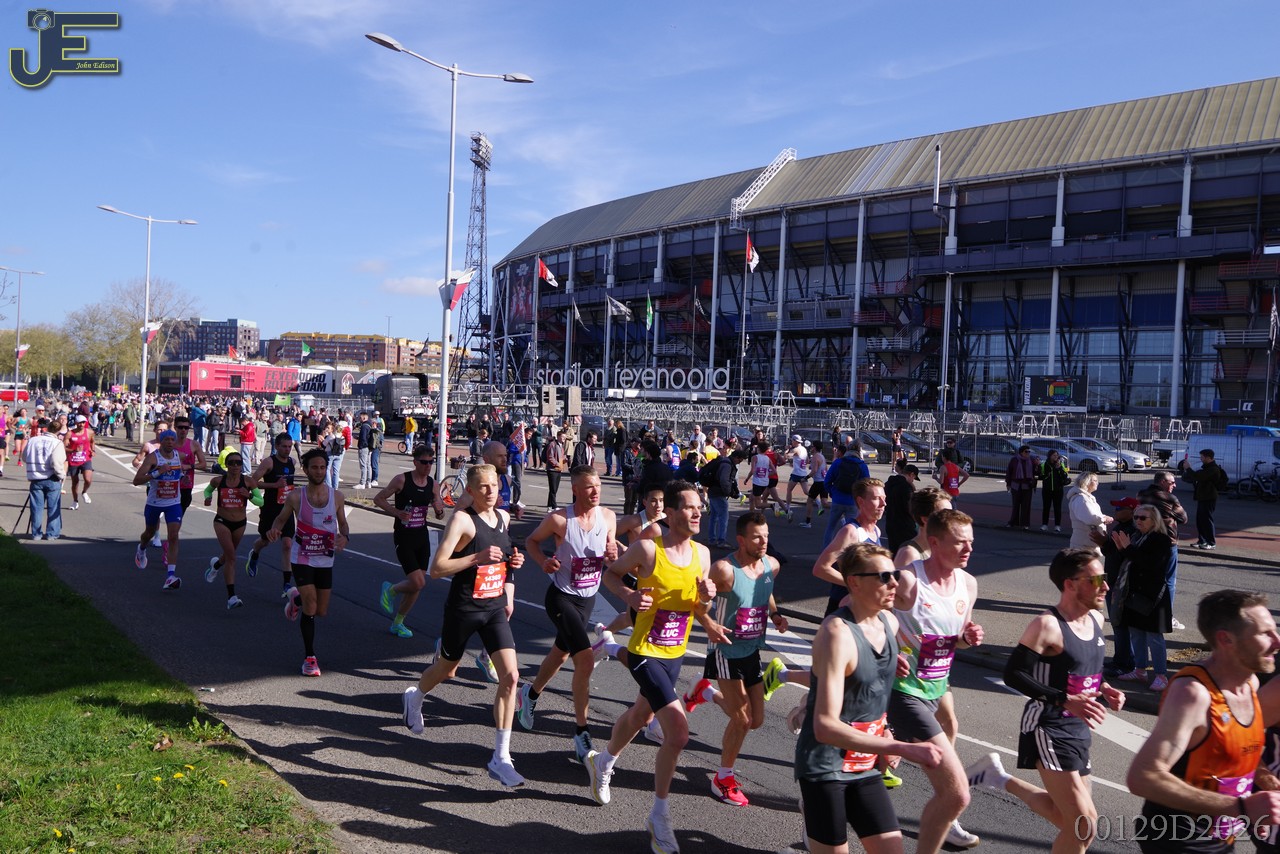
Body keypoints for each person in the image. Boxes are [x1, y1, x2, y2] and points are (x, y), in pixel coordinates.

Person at [965, 548, 1126, 854]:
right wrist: (1064, 700)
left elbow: (1083, 666)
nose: (1106, 586)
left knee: (1066, 818)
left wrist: (1105, 688)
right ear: (1070, 584)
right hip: (1047, 726)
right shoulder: (1047, 625)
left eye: (1105, 578)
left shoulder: (1095, 618)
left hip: (1078, 728)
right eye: (1096, 580)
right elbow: (1014, 674)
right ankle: (996, 777)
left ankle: (996, 777)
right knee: (1083, 825)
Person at [587, 480, 717, 854]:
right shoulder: (648, 549)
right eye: (690, 507)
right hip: (645, 649)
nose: (697, 513)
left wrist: (706, 603)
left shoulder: (703, 555)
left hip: (675, 652)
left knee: (641, 715)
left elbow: (697, 607)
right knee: (678, 733)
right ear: (671, 514)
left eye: (699, 507)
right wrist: (629, 594)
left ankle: (603, 761)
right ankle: (659, 817)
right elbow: (611, 574)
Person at [795, 542, 943, 854]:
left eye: (895, 575)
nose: (894, 583)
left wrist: (884, 728)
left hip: (864, 764)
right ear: (854, 582)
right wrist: (900, 746)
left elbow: (871, 692)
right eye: (883, 577)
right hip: (826, 766)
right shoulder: (836, 634)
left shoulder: (889, 622)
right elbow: (824, 726)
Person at [400, 463, 527, 787]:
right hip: (464, 608)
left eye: (494, 484)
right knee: (446, 667)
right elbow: (437, 568)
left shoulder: (504, 518)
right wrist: (475, 558)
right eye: (483, 486)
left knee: (511, 677)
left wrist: (513, 562)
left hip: (494, 607)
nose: (491, 491)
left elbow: (502, 558)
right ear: (470, 491)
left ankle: (501, 757)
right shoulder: (462, 520)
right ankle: (416, 696)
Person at [1127, 590, 1280, 853]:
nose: (1277, 641)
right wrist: (1240, 807)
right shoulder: (1193, 694)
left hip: (1219, 836)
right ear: (1226, 639)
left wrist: (1265, 787)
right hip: (1178, 838)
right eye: (1264, 633)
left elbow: (1232, 751)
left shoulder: (1251, 684)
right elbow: (1143, 777)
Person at [889, 508, 985, 852]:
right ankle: (949, 818)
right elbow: (861, 612)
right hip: (901, 690)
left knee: (871, 763)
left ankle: (821, 804)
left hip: (935, 686)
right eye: (959, 542)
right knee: (956, 792)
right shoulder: (907, 580)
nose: (968, 549)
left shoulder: (968, 584)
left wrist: (967, 637)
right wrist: (889, 652)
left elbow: (957, 638)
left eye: (970, 542)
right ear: (934, 542)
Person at [683, 510, 787, 807]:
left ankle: (705, 692)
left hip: (751, 649)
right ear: (741, 540)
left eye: (766, 536)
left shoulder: (771, 565)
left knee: (756, 720)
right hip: (725, 649)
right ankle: (723, 778)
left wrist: (775, 614)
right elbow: (698, 604)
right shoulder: (724, 570)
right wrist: (709, 621)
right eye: (757, 537)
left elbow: (765, 589)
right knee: (741, 719)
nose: (763, 542)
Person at [518, 465, 619, 762]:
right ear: (575, 490)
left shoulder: (608, 517)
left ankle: (530, 694)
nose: (595, 491)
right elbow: (531, 541)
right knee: (584, 659)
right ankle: (581, 732)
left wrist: (613, 552)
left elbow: (611, 551)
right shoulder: (560, 520)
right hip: (561, 598)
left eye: (597, 485)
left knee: (560, 654)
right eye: (589, 486)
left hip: (588, 600)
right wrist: (543, 561)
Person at [267, 448, 350, 677]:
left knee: (321, 610)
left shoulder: (337, 497)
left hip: (325, 558)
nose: (319, 471)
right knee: (311, 607)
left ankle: (296, 600)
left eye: (322, 467)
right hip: (302, 557)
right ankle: (309, 658)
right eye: (314, 467)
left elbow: (343, 523)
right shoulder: (296, 497)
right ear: (305, 469)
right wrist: (274, 529)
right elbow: (280, 519)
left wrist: (345, 536)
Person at [374, 443, 445, 638]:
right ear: (415, 462)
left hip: (422, 537)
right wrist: (397, 512)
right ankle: (391, 590)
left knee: (416, 586)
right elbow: (378, 499)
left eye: (431, 462)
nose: (428, 466)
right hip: (404, 537)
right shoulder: (402, 480)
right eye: (424, 462)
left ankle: (398, 623)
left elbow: (439, 514)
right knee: (418, 583)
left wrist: (439, 510)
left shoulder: (433, 484)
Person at [1111, 503, 1176, 691]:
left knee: (1154, 636)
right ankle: (1140, 670)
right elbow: (1129, 560)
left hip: (1152, 596)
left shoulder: (1161, 540)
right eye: (1136, 517)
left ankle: (1161, 675)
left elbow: (1151, 564)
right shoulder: (1137, 536)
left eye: (1142, 518)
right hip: (1133, 593)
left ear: (1154, 520)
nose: (1138, 521)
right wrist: (1121, 548)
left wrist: (1128, 549)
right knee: (1136, 633)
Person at [813, 479, 886, 616]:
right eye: (877, 498)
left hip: (864, 606)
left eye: (884, 498)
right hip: (843, 607)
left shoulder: (876, 531)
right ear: (860, 502)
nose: (883, 504)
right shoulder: (850, 532)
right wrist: (857, 586)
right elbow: (820, 568)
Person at [202, 451, 259, 610]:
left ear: (242, 465)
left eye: (238, 463)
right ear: (226, 465)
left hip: (240, 523)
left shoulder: (248, 482)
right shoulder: (218, 480)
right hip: (222, 521)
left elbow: (260, 501)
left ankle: (216, 565)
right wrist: (208, 497)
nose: (235, 466)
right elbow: (207, 490)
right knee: (232, 557)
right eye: (232, 462)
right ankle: (231, 597)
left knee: (229, 554)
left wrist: (249, 496)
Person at [245, 433, 300, 598]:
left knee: (287, 544)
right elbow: (252, 482)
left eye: (290, 447)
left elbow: (289, 485)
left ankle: (286, 584)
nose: (287, 450)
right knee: (265, 541)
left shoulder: (292, 462)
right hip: (270, 509)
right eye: (284, 446)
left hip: (286, 509)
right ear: (276, 446)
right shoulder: (269, 462)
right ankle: (255, 553)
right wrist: (274, 485)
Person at [132, 429, 187, 589]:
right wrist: (157, 472)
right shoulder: (153, 458)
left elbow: (178, 473)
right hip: (154, 502)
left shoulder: (179, 456)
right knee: (149, 533)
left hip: (173, 502)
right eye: (166, 439)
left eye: (172, 439)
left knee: (173, 536)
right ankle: (141, 549)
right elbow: (137, 480)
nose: (170, 442)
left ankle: (170, 576)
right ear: (161, 441)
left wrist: (183, 477)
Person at [22, 418, 66, 540]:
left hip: (35, 478)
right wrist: (61, 475)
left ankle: (36, 534)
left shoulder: (33, 440)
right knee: (53, 507)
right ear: (58, 431)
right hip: (52, 478)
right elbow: (56, 462)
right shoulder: (57, 443)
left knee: (36, 508)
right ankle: (52, 534)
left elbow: (25, 457)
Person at [1179, 448, 1229, 550]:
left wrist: (1188, 468)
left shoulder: (1213, 469)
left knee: (1206, 520)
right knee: (1200, 520)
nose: (1201, 459)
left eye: (1202, 457)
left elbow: (1198, 477)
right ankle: (1202, 540)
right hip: (1203, 497)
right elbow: (1195, 477)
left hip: (1209, 497)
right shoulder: (1207, 468)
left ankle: (1211, 542)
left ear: (1208, 458)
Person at [822, 442, 869, 546]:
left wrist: (832, 493)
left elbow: (827, 481)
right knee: (851, 530)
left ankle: (826, 550)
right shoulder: (862, 465)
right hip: (853, 501)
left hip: (837, 499)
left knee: (830, 527)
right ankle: (848, 552)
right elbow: (866, 485)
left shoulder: (838, 462)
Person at [701, 449, 744, 549]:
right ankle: (721, 540)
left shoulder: (723, 461)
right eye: (740, 460)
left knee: (713, 517)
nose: (739, 462)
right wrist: (730, 492)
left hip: (713, 491)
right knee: (723, 517)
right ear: (736, 457)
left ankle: (712, 539)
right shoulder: (727, 465)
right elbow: (724, 480)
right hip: (719, 493)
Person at [1066, 471, 1111, 553]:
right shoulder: (1081, 499)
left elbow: (1091, 514)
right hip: (1084, 544)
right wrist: (1104, 518)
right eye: (1095, 480)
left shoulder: (1086, 498)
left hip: (1088, 543)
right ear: (1086, 482)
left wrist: (1103, 517)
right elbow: (1091, 518)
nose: (1097, 483)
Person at [882, 460, 918, 553]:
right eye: (914, 478)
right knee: (908, 552)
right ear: (911, 474)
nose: (913, 480)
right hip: (905, 525)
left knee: (894, 552)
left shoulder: (889, 483)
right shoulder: (906, 488)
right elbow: (909, 508)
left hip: (890, 522)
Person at [64, 414, 96, 509]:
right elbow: (64, 448)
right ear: (76, 423)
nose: (81, 424)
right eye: (79, 423)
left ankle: (84, 492)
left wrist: (93, 450)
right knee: (75, 482)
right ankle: (75, 501)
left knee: (88, 479)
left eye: (83, 423)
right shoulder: (70, 434)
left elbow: (92, 442)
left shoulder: (89, 432)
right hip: (73, 460)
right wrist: (73, 450)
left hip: (85, 459)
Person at [1005, 445, 1039, 529]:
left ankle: (1025, 524)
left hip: (1027, 486)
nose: (1028, 453)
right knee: (1015, 505)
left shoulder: (1032, 460)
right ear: (1021, 452)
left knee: (1026, 506)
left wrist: (1037, 465)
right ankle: (1013, 522)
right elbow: (1009, 472)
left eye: (1029, 451)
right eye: (1026, 451)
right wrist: (1008, 484)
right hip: (1016, 485)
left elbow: (1037, 473)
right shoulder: (1014, 460)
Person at [800, 440, 830, 529]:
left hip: (818, 482)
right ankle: (841, 511)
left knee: (809, 501)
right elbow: (825, 469)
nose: (811, 448)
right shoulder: (822, 456)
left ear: (815, 448)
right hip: (824, 481)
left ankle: (808, 522)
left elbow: (814, 470)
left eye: (812, 446)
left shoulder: (815, 457)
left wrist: (805, 478)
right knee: (825, 503)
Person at [1038, 449, 1069, 532]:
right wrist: (1045, 473)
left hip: (1058, 490)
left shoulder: (1061, 464)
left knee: (1057, 508)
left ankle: (1057, 525)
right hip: (1047, 490)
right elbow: (1040, 476)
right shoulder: (1044, 464)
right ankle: (1044, 524)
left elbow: (1065, 476)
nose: (1056, 457)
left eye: (1057, 455)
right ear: (1050, 456)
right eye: (1054, 455)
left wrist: (1059, 468)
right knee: (1046, 507)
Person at [783, 435, 812, 516]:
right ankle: (818, 502)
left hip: (796, 474)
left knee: (789, 490)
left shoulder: (796, 449)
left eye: (792, 441)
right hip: (803, 473)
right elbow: (807, 461)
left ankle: (788, 507)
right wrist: (796, 464)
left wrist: (786, 451)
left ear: (795, 441)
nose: (791, 442)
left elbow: (786, 457)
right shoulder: (804, 449)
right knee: (806, 491)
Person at [544, 429, 566, 510]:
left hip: (558, 469)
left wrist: (565, 460)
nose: (564, 439)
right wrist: (557, 464)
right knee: (553, 488)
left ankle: (549, 506)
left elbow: (561, 457)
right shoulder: (552, 444)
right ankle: (554, 506)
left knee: (555, 489)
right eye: (563, 437)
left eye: (565, 437)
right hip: (552, 469)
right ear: (558, 437)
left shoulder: (561, 445)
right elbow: (550, 457)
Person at [356, 410, 374, 489]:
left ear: (364, 418)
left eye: (360, 418)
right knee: (368, 465)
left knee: (363, 465)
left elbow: (363, 438)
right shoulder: (369, 425)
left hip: (364, 447)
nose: (359, 419)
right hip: (369, 447)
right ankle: (368, 482)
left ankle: (362, 483)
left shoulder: (364, 426)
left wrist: (361, 446)